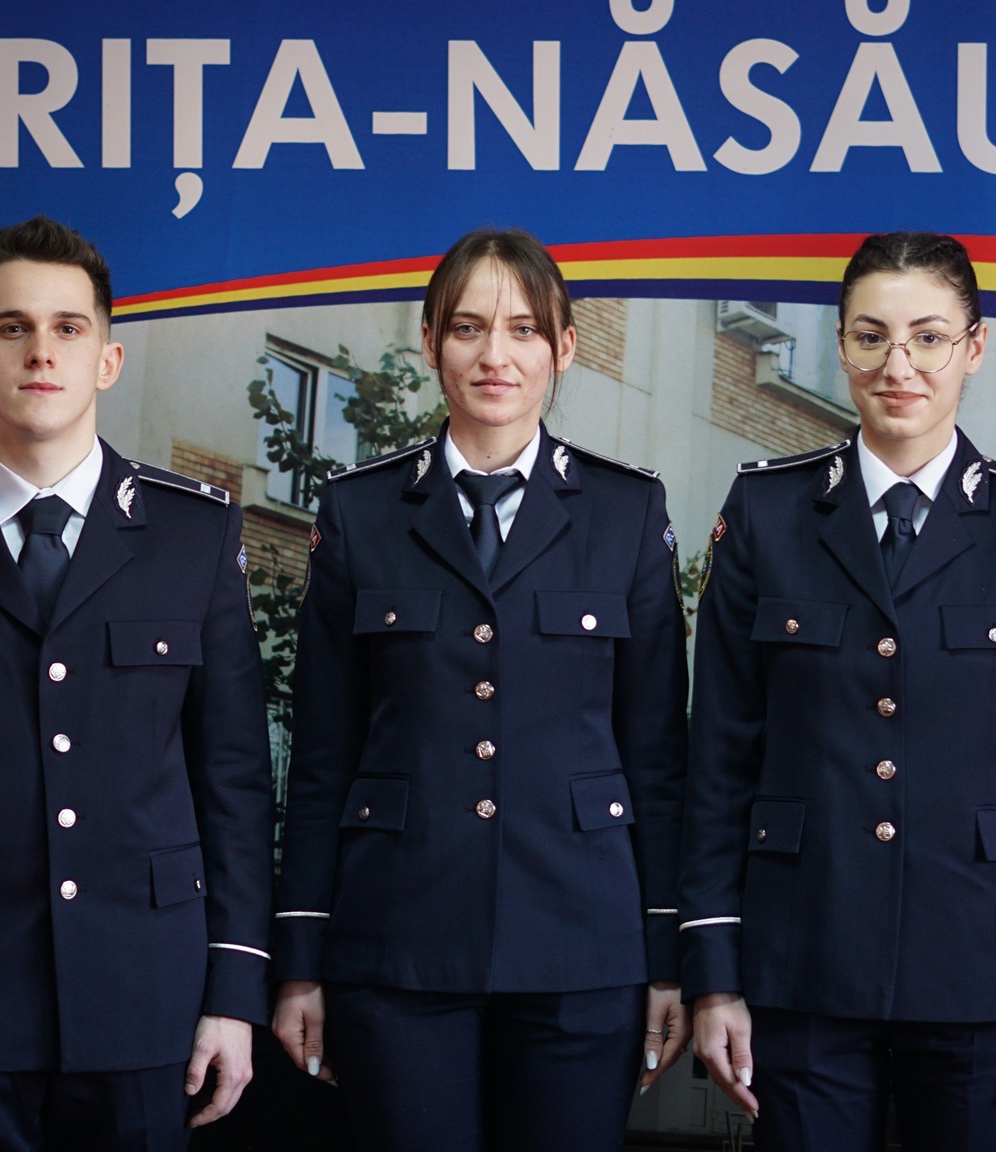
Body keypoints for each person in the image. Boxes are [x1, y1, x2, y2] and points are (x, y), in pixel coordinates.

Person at [0, 216, 274, 1152]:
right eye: (12, 327)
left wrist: (234, 991)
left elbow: (233, 780)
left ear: (108, 360)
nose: (41, 352)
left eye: (69, 328)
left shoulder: (195, 536)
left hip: (147, 1001)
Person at [680, 232, 996, 1151]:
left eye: (928, 337)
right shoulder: (767, 511)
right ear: (842, 345)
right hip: (801, 961)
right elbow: (718, 757)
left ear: (975, 346)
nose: (898, 365)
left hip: (979, 970)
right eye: (871, 337)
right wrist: (713, 972)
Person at [268, 227, 691, 1152]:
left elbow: (658, 759)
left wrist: (667, 957)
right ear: (431, 341)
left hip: (582, 946)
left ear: (563, 347)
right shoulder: (360, 510)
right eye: (467, 328)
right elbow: (323, 753)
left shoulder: (626, 512)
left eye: (524, 330)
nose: (495, 354)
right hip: (398, 946)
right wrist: (299, 958)